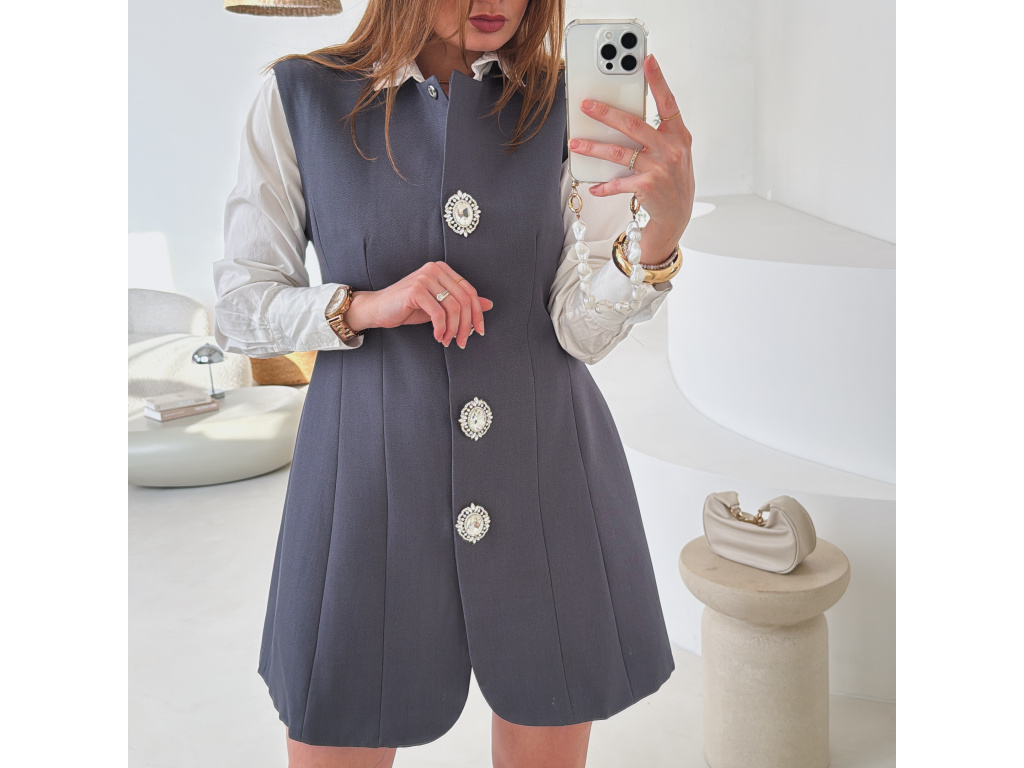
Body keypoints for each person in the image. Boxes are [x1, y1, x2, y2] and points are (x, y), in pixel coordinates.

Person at [213, 1, 695, 766]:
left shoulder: (571, 106)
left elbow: (579, 329)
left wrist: (656, 242)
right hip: (365, 480)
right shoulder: (298, 97)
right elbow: (241, 306)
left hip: (544, 473)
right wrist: (365, 305)